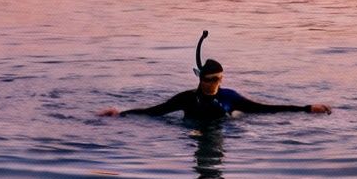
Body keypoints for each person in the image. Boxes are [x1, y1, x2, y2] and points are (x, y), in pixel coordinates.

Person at [99, 58, 330, 119]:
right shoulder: (187, 99)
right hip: (194, 133)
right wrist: (120, 113)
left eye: (219, 79)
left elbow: (264, 109)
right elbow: (155, 111)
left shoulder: (230, 97)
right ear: (201, 79)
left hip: (222, 129)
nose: (215, 84)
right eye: (210, 79)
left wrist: (306, 108)